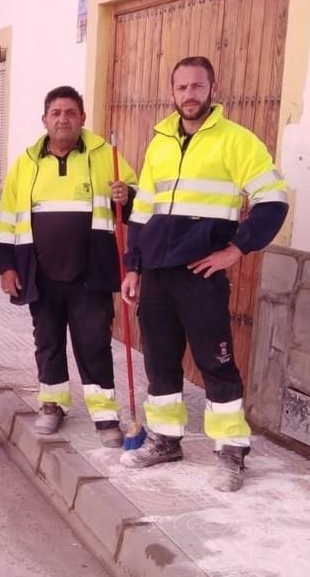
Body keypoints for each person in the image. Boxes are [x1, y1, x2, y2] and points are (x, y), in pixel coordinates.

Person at [121, 56, 288, 491]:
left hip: (200, 273)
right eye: (182, 87)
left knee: (216, 362)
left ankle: (231, 450)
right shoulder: (159, 141)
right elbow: (142, 212)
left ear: (212, 89)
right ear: (172, 92)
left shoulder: (237, 141)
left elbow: (273, 200)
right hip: (156, 271)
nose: (189, 95)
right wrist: (133, 266)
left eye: (198, 86)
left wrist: (236, 250)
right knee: (159, 360)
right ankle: (165, 439)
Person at [0, 86, 137, 447]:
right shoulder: (25, 162)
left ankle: (105, 416)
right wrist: (5, 266)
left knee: (94, 344)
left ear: (82, 118)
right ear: (44, 120)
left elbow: (139, 203)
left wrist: (128, 196)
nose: (63, 119)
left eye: (70, 112)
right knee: (48, 343)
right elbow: (6, 218)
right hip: (39, 274)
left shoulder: (106, 154)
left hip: (92, 274)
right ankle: (53, 404)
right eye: (55, 112)